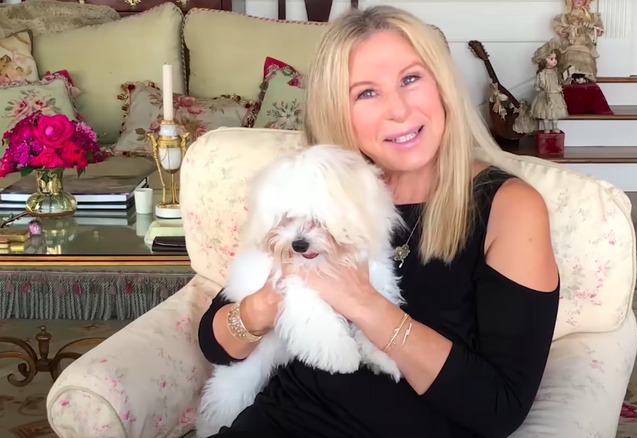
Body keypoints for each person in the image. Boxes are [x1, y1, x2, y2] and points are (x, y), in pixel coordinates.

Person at [198, 5, 560, 438]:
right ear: (339, 111)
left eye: (411, 78)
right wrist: (266, 304)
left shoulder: (510, 208)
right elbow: (215, 343)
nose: (399, 110)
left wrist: (364, 304)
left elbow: (499, 408)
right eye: (366, 93)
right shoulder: (321, 188)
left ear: (442, 86)